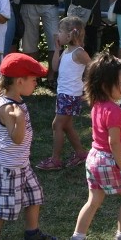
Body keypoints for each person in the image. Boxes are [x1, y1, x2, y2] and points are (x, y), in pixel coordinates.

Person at [67, 52, 121, 240]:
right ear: (105, 85)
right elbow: (114, 142)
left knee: (93, 200)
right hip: (109, 160)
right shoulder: (114, 111)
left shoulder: (97, 105)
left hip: (94, 158)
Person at [0, 53, 58, 240]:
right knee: (3, 207)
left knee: (34, 196)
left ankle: (32, 234)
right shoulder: (9, 108)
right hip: (7, 166)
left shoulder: (17, 101)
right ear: (19, 81)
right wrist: (20, 120)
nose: (36, 83)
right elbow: (16, 139)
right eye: (33, 80)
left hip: (21, 164)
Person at [36, 17, 90, 171]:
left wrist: (87, 86)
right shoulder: (66, 50)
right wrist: (57, 49)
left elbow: (92, 67)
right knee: (66, 126)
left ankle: (55, 160)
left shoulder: (79, 52)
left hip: (71, 95)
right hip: (63, 94)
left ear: (69, 35)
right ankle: (80, 153)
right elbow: (54, 67)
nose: (57, 34)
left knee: (57, 124)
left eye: (60, 31)